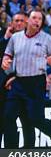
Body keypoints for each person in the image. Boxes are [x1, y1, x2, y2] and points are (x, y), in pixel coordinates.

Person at [1, 10, 51, 157]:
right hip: (18, 82)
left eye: (40, 19)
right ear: (28, 20)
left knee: (36, 120)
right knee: (8, 117)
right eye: (34, 18)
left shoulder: (46, 38)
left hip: (36, 82)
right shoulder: (15, 38)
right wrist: (5, 60)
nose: (37, 21)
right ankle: (12, 156)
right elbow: (8, 54)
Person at [0, 13, 27, 144]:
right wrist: (6, 37)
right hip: (4, 86)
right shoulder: (7, 39)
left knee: (28, 122)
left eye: (22, 21)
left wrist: (16, 77)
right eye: (16, 21)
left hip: (22, 86)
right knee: (5, 119)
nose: (19, 23)